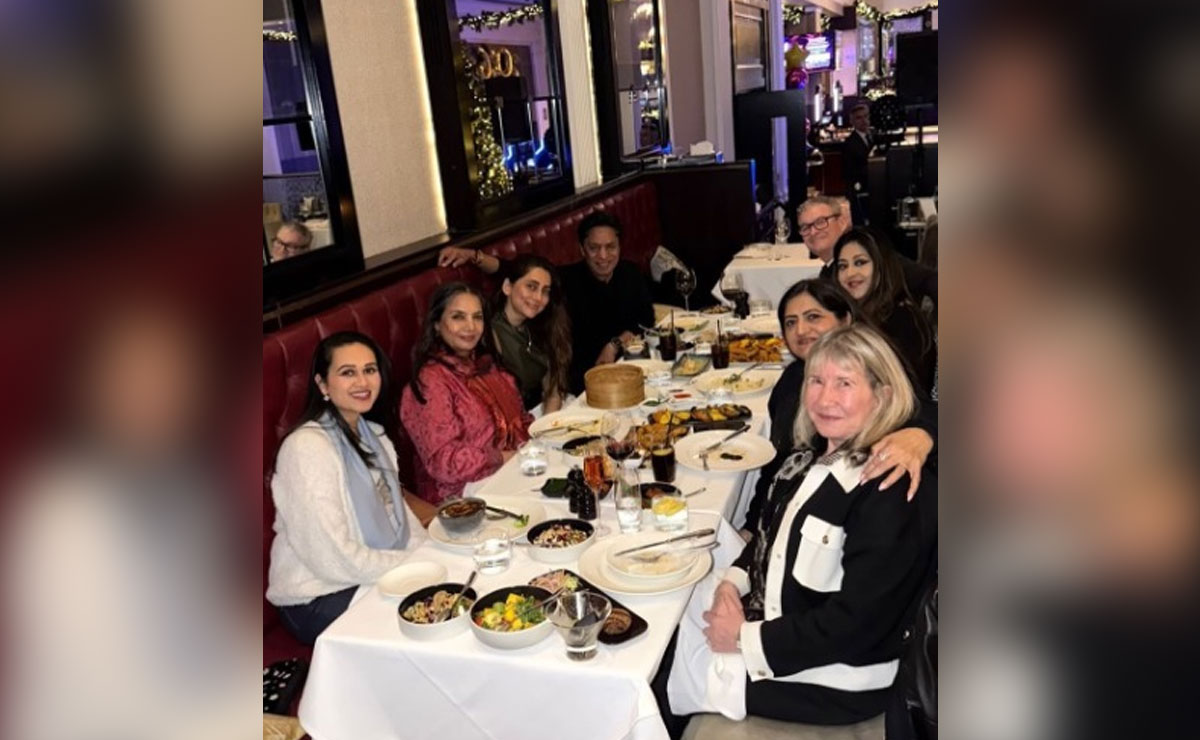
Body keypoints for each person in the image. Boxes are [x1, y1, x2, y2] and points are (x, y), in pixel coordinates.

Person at [666, 325, 937, 731]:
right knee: (672, 604)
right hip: (784, 626)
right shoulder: (807, 457)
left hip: (833, 678)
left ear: (882, 395)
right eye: (816, 381)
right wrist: (731, 584)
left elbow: (859, 625)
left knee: (668, 664)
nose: (825, 399)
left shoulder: (888, 490)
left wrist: (742, 638)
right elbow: (770, 535)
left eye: (844, 383)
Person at [741, 279, 937, 538]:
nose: (801, 330)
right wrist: (751, 527)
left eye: (813, 317)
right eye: (790, 322)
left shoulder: (872, 374)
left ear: (845, 320)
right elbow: (778, 462)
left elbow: (933, 412)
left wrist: (921, 435)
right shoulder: (791, 380)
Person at [267, 331, 427, 645]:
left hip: (372, 575)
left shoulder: (374, 437)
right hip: (318, 595)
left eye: (369, 370)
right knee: (425, 622)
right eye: (347, 372)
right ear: (322, 384)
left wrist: (431, 556)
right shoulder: (307, 448)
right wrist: (415, 566)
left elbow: (401, 517)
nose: (362, 382)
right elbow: (331, 558)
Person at [437, 211, 654, 394]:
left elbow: (646, 318)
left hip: (626, 368)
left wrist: (614, 344)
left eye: (611, 247)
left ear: (620, 247)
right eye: (594, 248)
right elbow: (514, 269)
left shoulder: (630, 273)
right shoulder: (566, 280)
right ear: (582, 249)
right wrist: (474, 256)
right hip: (582, 381)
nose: (603, 256)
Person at [401, 282, 531, 503]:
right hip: (463, 496)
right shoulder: (430, 382)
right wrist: (501, 458)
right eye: (458, 317)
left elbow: (521, 419)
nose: (470, 326)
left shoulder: (487, 366)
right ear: (436, 324)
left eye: (477, 317)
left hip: (513, 470)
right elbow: (443, 462)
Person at [833, 228, 937, 395]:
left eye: (860, 262)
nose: (850, 273)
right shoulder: (857, 315)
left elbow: (906, 392)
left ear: (881, 265)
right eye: (843, 266)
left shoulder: (902, 321)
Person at [796, 195, 937, 309]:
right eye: (805, 227)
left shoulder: (871, 251)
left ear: (842, 222)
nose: (813, 232)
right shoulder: (826, 273)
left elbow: (928, 279)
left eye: (821, 222)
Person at [489, 255, 571, 413]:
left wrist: (547, 422)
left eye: (545, 291)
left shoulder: (542, 324)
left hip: (543, 413)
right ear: (507, 287)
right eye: (531, 287)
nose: (539, 298)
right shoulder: (490, 333)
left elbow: (554, 389)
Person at [843, 103, 874, 224]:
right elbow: (850, 172)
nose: (864, 121)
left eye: (866, 116)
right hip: (860, 191)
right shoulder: (850, 143)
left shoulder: (873, 136)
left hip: (874, 187)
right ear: (852, 121)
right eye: (859, 118)